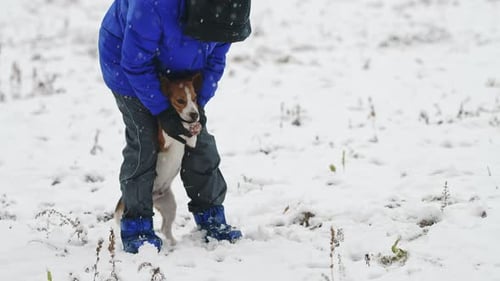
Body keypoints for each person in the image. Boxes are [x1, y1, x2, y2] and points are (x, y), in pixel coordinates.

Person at [98, 0, 251, 253]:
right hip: (128, 65)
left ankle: (210, 217)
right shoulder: (152, 5)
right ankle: (137, 226)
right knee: (145, 141)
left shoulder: (228, 14)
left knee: (199, 144)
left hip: (183, 68)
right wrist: (161, 111)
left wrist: (198, 105)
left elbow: (215, 61)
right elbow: (135, 65)